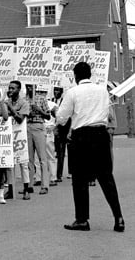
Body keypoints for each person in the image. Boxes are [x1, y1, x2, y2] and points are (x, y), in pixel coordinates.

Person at [57, 62, 124, 232]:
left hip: (81, 136)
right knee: (106, 177)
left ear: (75, 76)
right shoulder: (102, 91)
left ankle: (82, 219)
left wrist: (56, 113)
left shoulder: (72, 92)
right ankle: (118, 217)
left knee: (79, 179)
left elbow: (61, 118)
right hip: (100, 134)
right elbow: (107, 112)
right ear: (90, 74)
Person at [5, 80, 31, 200]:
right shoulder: (6, 102)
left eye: (13, 88)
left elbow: (20, 119)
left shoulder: (24, 103)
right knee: (9, 164)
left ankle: (26, 189)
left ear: (18, 90)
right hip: (9, 134)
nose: (10, 90)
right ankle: (10, 189)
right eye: (9, 88)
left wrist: (10, 107)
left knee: (23, 163)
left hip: (20, 136)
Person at [26, 84, 51, 195]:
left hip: (39, 126)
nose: (30, 88)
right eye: (28, 86)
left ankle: (45, 185)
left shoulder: (41, 98)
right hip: (27, 126)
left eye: (32, 86)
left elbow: (48, 116)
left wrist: (39, 110)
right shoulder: (24, 99)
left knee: (42, 158)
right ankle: (29, 184)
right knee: (29, 158)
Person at [52, 87, 70, 182]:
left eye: (58, 90)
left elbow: (66, 115)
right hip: (53, 128)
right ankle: (56, 173)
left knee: (63, 151)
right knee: (57, 152)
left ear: (62, 92)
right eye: (55, 90)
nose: (56, 92)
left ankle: (60, 174)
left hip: (64, 129)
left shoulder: (65, 101)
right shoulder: (51, 101)